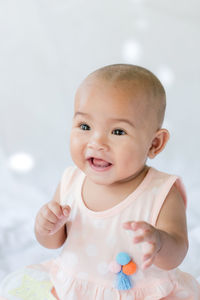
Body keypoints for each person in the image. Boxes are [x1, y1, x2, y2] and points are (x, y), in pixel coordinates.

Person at [0, 64, 200, 300]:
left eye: (117, 131)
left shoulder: (161, 192)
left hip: (141, 294)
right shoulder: (70, 181)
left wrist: (159, 242)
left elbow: (177, 252)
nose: (96, 142)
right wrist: (47, 226)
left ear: (154, 144)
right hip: (75, 289)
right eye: (85, 126)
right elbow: (54, 242)